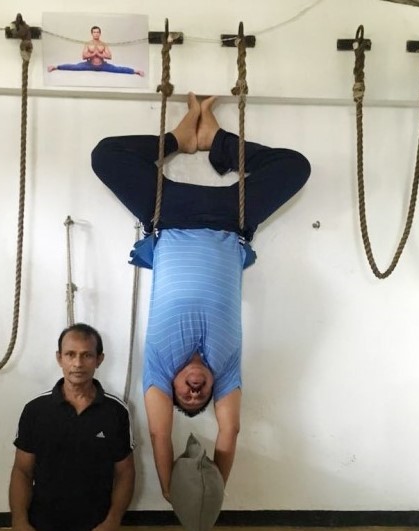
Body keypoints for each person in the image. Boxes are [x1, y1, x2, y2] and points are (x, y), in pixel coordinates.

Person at [91, 93, 310, 501]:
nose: (194, 392)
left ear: (170, 387)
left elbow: (161, 435)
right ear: (214, 390)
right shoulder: (225, 369)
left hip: (167, 216)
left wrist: (171, 490)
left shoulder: (159, 365)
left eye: (185, 395)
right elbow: (230, 430)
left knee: (105, 156)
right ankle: (217, 141)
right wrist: (215, 491)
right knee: (295, 166)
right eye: (202, 396)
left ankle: (179, 138)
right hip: (231, 220)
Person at [2, 323, 135, 531]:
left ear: (99, 359)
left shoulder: (116, 412)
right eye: (70, 354)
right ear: (59, 358)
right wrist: (20, 524)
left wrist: (112, 523)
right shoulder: (36, 411)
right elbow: (22, 471)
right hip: (45, 515)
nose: (78, 363)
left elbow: (125, 472)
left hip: (93, 517)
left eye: (87, 355)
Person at [48, 25, 144, 77]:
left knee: (118, 69)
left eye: (98, 32)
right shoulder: (88, 43)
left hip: (102, 66)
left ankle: (136, 71)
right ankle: (55, 67)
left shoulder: (104, 44)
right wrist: (94, 53)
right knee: (74, 67)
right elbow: (83, 56)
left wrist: (100, 55)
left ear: (100, 33)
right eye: (94, 32)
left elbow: (110, 56)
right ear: (92, 33)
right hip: (89, 65)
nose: (96, 34)